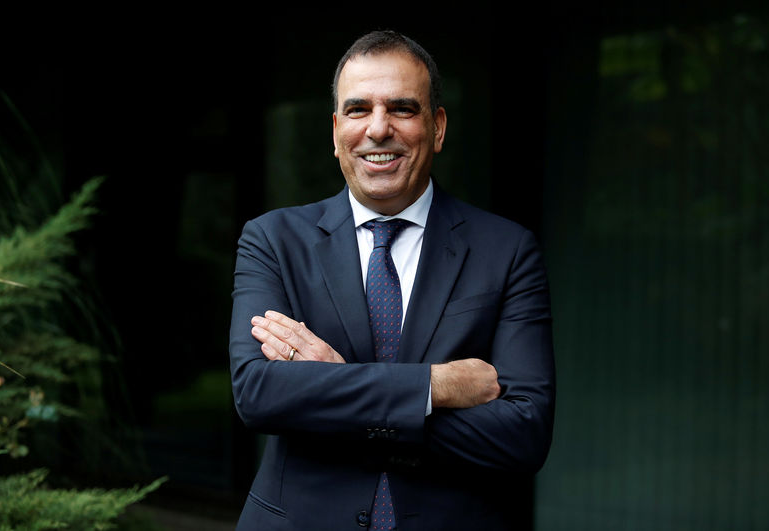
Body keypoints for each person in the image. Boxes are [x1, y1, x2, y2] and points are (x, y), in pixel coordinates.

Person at [229, 30, 555, 531]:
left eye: (402, 108)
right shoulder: (273, 240)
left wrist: (331, 387)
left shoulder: (507, 250)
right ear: (336, 130)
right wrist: (433, 386)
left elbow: (523, 433)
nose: (378, 129)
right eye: (358, 110)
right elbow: (258, 393)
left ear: (438, 127)